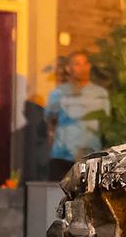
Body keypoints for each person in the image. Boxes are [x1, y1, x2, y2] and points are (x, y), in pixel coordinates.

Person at [44, 50, 110, 181]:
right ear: (68, 68)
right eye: (76, 64)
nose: (81, 67)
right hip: (62, 158)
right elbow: (50, 121)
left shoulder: (100, 93)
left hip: (91, 158)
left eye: (84, 63)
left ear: (89, 66)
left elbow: (106, 125)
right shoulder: (58, 93)